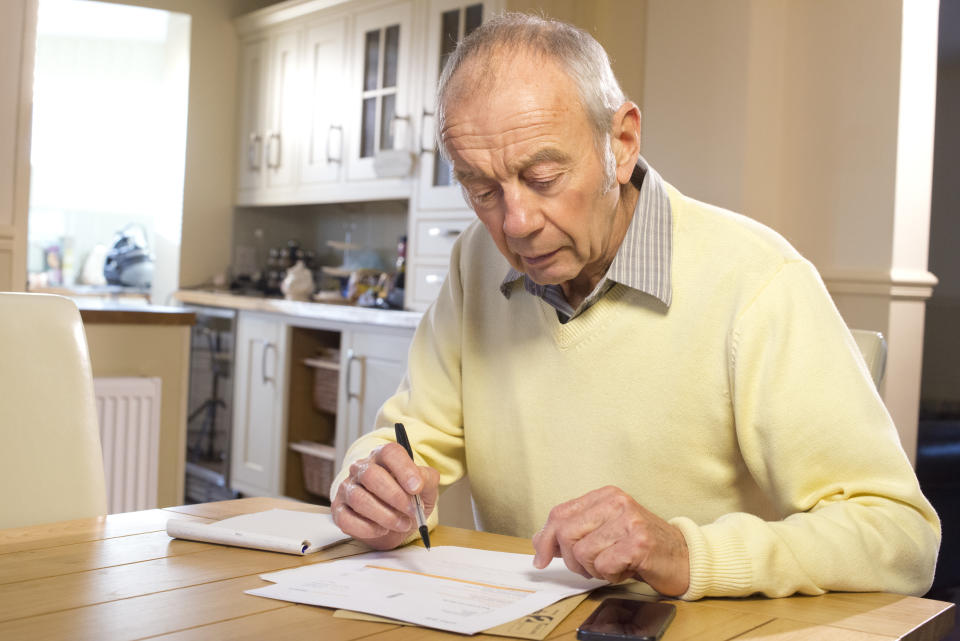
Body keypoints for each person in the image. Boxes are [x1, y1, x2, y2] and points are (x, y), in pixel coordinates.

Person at [330, 13, 940, 600]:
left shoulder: (758, 279)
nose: (515, 224)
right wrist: (372, 484)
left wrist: (683, 551)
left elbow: (900, 537)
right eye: (481, 189)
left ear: (620, 144)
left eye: (542, 178)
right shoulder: (475, 262)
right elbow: (409, 442)